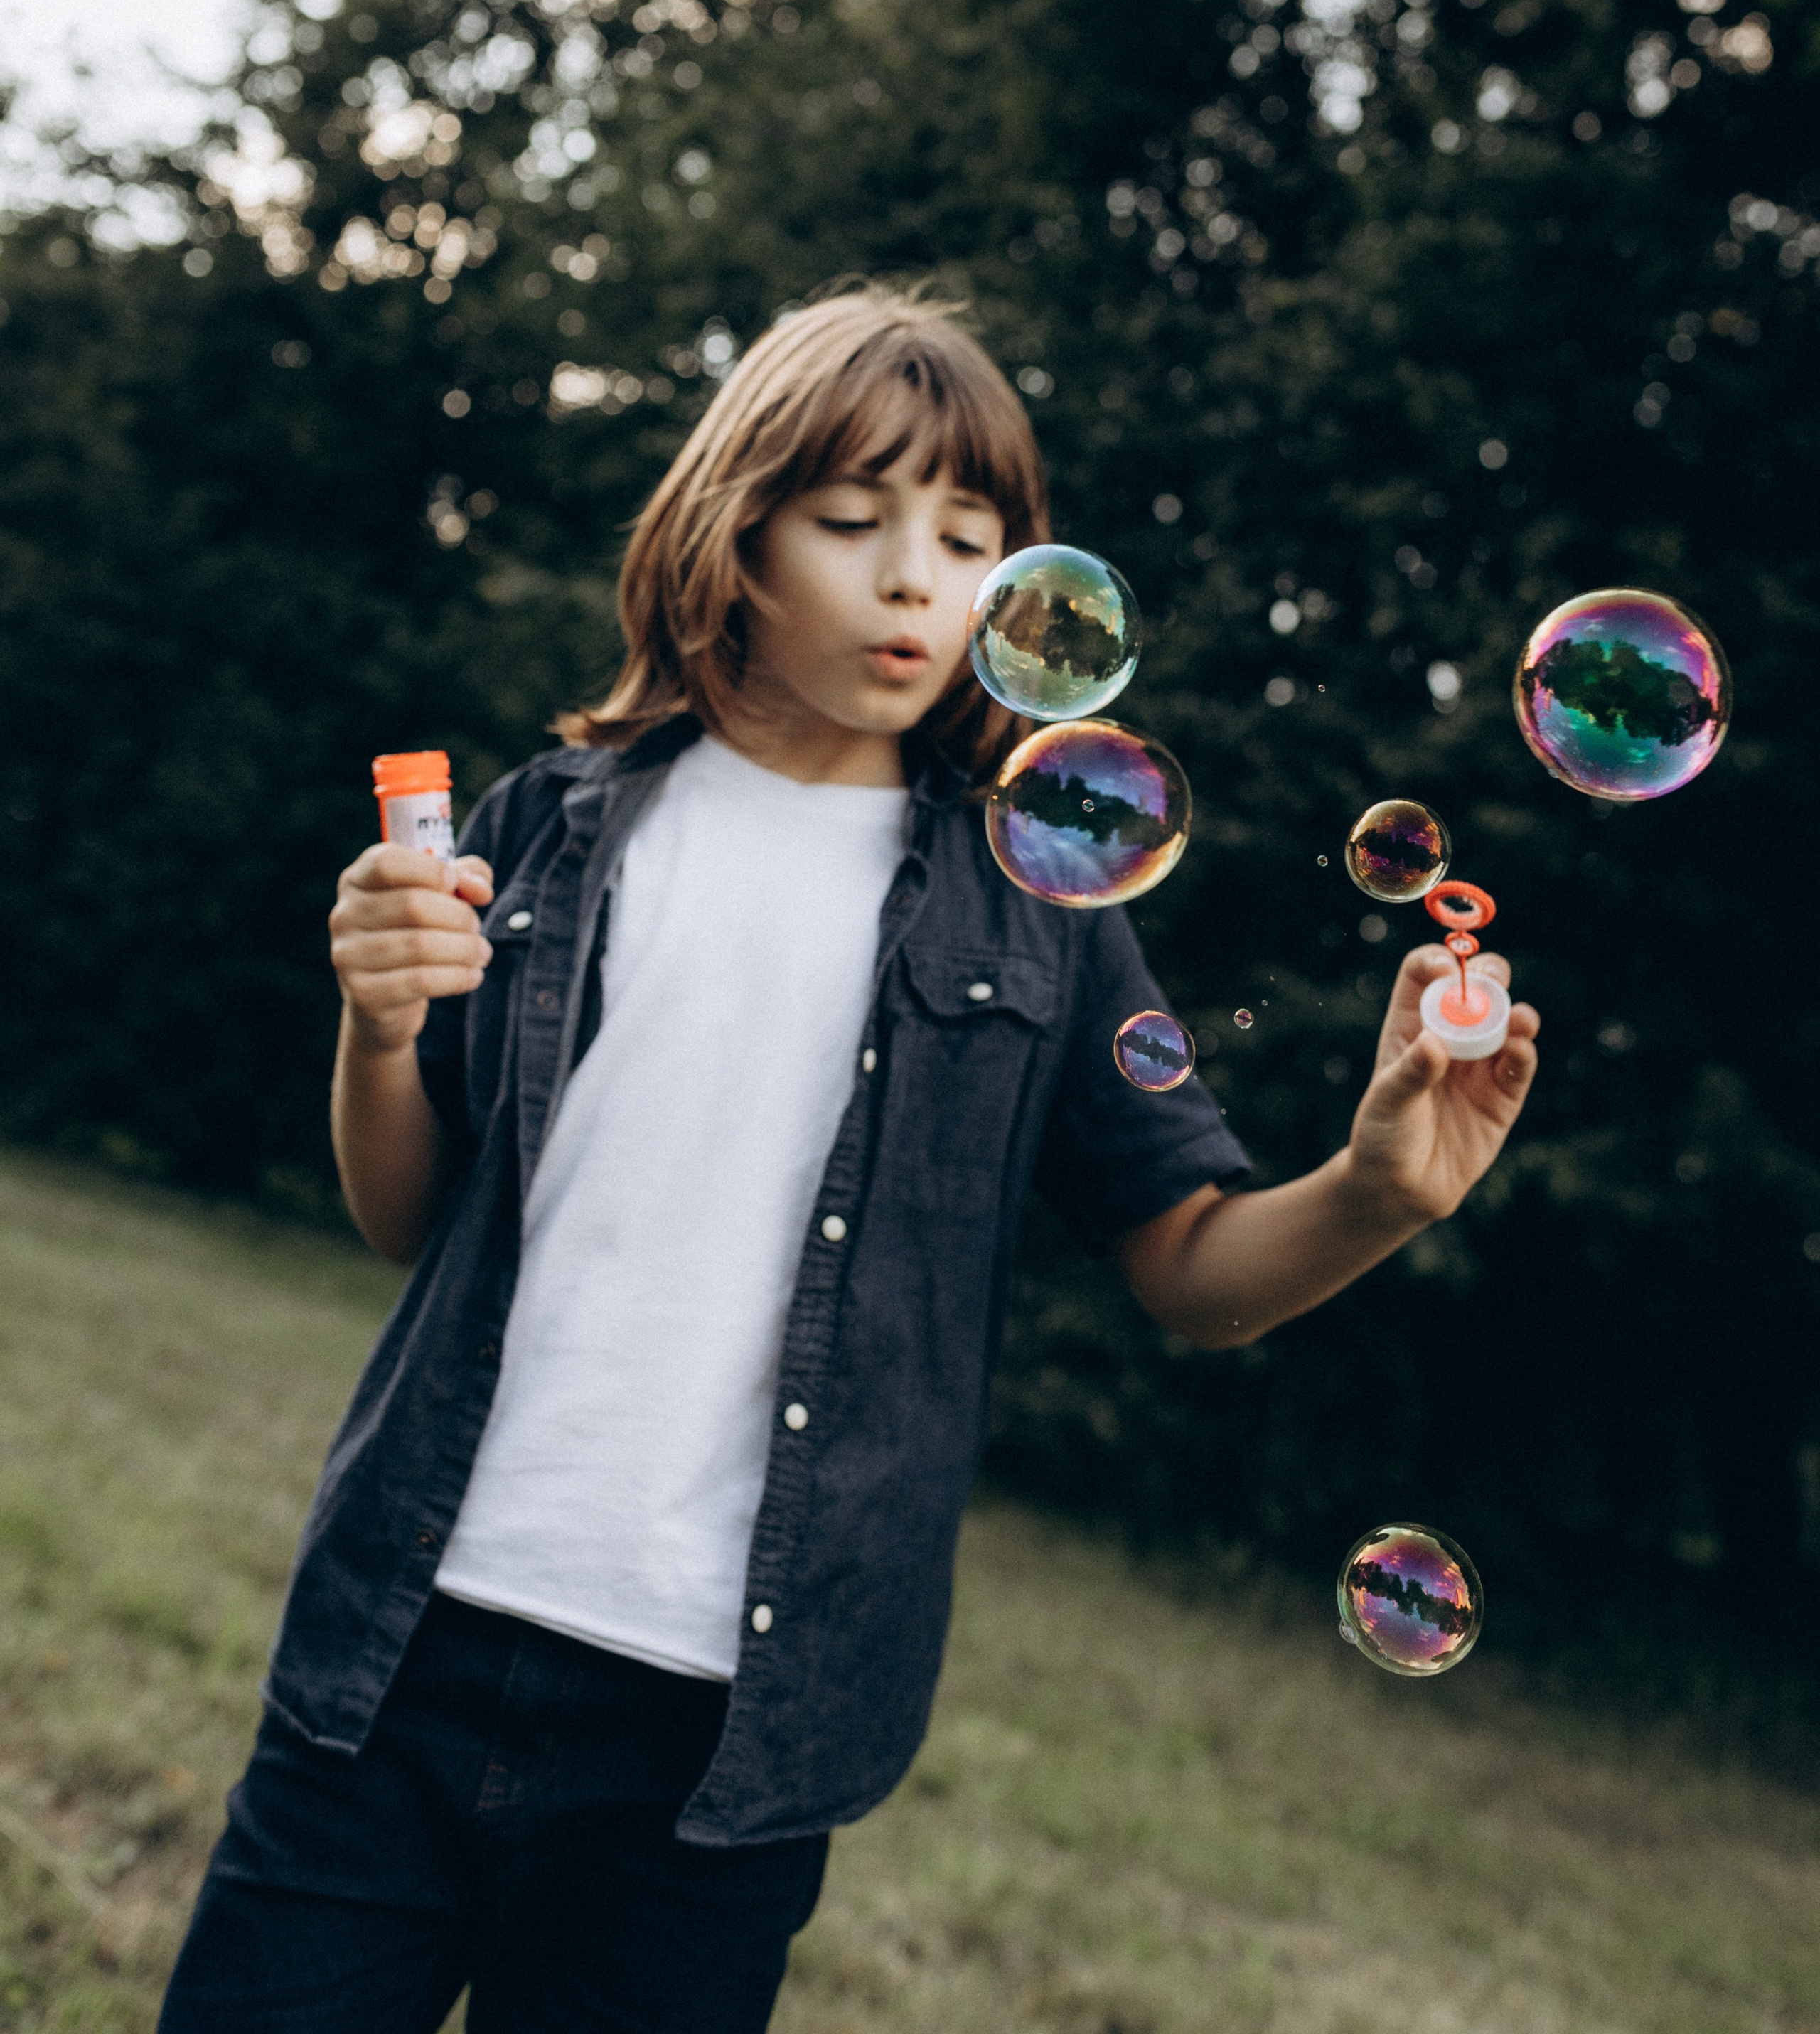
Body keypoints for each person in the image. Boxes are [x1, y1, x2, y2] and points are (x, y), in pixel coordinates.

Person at [159, 285, 1540, 2033]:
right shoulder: (545, 827)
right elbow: (409, 1216)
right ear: (735, 540)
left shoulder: (1039, 904)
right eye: (849, 520)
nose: (911, 581)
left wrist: (1372, 1190)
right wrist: (375, 1029)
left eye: (965, 540)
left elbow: (1192, 1267)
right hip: (402, 1648)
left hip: (723, 1744)